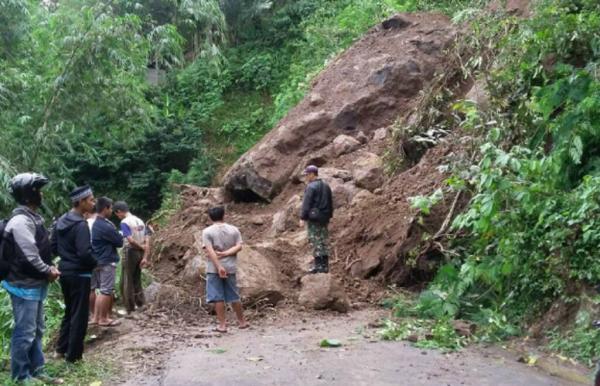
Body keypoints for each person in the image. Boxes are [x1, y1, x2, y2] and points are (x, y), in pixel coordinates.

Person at [2, 173, 62, 384]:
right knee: (25, 331)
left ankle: (37, 370)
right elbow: (30, 256)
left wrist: (48, 269)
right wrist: (48, 270)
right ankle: (20, 375)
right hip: (23, 285)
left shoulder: (32, 217)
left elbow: (40, 251)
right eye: (38, 190)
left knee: (37, 329)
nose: (41, 194)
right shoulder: (20, 221)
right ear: (29, 195)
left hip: (34, 283)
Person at [52, 185, 97, 363]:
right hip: (80, 274)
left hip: (65, 272)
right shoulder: (80, 225)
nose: (93, 202)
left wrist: (66, 258)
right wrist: (96, 264)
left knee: (70, 311)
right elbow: (85, 253)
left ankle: (60, 349)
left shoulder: (60, 222)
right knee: (80, 314)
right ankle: (74, 356)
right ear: (81, 202)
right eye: (91, 199)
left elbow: (53, 247)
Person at [202, 206, 248, 333]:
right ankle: (242, 322)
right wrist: (227, 253)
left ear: (210, 217)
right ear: (224, 215)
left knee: (217, 297)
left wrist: (219, 266)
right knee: (234, 295)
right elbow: (239, 246)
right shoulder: (234, 229)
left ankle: (222, 325)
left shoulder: (207, 232)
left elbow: (210, 251)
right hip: (231, 267)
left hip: (214, 268)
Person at [89, 197, 123, 327]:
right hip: (106, 260)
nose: (112, 210)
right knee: (106, 291)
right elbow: (119, 242)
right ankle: (103, 318)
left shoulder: (95, 223)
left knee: (98, 290)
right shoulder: (105, 225)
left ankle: (96, 317)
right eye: (110, 207)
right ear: (105, 208)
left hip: (96, 260)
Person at [114, 201, 147, 314]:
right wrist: (143, 250)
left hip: (131, 251)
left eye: (117, 214)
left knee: (127, 279)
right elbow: (147, 239)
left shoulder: (124, 222)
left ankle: (130, 307)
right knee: (137, 278)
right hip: (140, 253)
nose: (118, 217)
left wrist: (139, 246)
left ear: (119, 211)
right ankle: (141, 303)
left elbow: (130, 240)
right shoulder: (140, 221)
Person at [299, 165, 333, 274]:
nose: (306, 177)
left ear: (312, 174)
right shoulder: (326, 186)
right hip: (324, 218)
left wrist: (302, 217)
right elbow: (331, 203)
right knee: (323, 240)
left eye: (307, 174)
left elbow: (306, 204)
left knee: (315, 241)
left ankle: (318, 266)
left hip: (314, 219)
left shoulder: (311, 187)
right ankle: (325, 266)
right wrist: (329, 216)